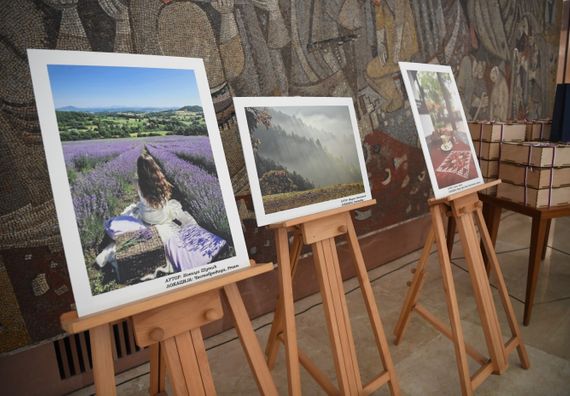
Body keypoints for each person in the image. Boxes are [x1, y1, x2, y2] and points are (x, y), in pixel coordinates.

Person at [96, 152, 198, 279]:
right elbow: (165, 199)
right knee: (169, 208)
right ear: (154, 166)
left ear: (139, 169)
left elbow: (141, 199)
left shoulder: (138, 183)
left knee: (125, 216)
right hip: (163, 218)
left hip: (147, 219)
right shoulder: (162, 181)